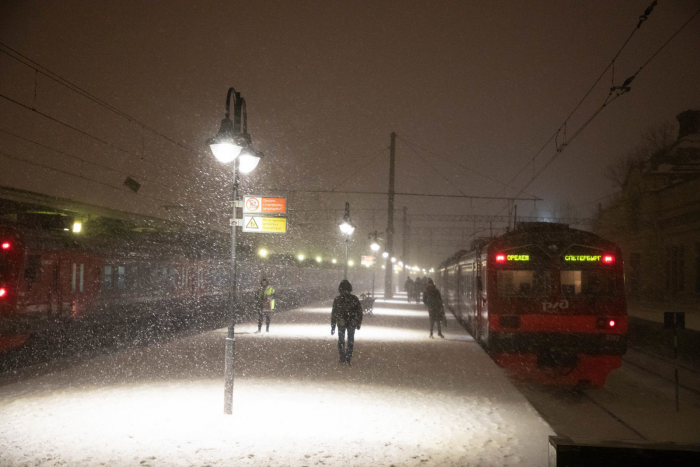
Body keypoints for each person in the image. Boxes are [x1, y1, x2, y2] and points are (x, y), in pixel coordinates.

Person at [331, 279, 363, 365]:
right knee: (350, 340)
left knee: (341, 340)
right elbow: (359, 312)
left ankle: (342, 357)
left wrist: (333, 326)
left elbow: (334, 313)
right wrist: (358, 322)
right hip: (352, 322)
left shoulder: (337, 299)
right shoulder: (354, 298)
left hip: (341, 321)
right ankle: (348, 356)